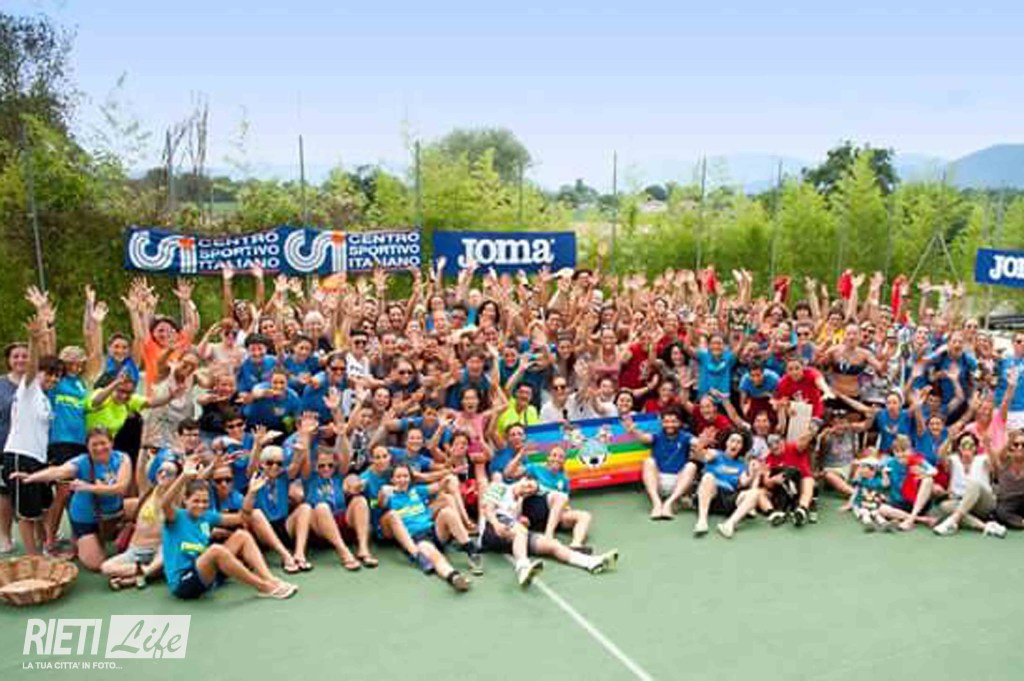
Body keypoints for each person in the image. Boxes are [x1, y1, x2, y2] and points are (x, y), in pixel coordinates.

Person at [161, 458, 297, 600]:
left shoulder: (208, 516)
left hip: (208, 575)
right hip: (183, 583)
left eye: (205, 501)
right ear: (185, 500)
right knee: (215, 550)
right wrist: (184, 476)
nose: (201, 505)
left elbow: (243, 518)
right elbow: (164, 504)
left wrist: (251, 493)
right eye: (196, 501)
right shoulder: (176, 516)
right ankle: (264, 587)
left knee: (242, 536)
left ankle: (270, 579)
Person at [11, 427, 131, 570]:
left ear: (111, 443)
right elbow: (58, 471)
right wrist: (31, 477)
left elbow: (121, 488)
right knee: (96, 564)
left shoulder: (122, 458)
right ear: (87, 447)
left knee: (140, 505)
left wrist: (88, 487)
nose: (99, 448)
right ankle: (81, 539)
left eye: (103, 443)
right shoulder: (81, 462)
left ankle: (115, 535)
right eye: (94, 445)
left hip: (114, 514)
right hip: (86, 519)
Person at [479, 475, 618, 588]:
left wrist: (521, 521)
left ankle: (590, 562)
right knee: (520, 531)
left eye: (531, 492)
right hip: (491, 529)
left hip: (511, 535)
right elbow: (487, 509)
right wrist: (496, 524)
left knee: (552, 545)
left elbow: (516, 524)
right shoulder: (500, 487)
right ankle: (523, 568)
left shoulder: (520, 502)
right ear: (523, 478)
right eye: (528, 485)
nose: (527, 491)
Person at [2, 314, 58, 556]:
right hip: (20, 457)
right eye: (47, 374)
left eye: (55, 375)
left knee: (44, 507)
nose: (51, 378)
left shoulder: (44, 398)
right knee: (27, 514)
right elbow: (33, 366)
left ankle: (45, 548)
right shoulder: (29, 387)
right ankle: (34, 559)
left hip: (38, 460)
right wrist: (34, 340)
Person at [378, 463, 479, 591]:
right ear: (392, 479)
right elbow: (380, 504)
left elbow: (438, 486)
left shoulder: (416, 490)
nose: (403, 479)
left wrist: (450, 475)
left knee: (447, 512)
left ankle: (471, 550)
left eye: (405, 476)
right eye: (398, 477)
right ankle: (454, 577)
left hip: (433, 530)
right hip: (417, 538)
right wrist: (383, 493)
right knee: (436, 556)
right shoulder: (389, 496)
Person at [626, 407, 699, 520]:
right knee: (648, 462)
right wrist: (633, 430)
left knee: (691, 466)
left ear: (680, 423)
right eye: (666, 421)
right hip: (658, 482)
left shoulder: (686, 436)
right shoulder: (657, 435)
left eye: (673, 421)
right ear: (662, 422)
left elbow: (696, 442)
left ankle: (669, 504)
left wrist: (703, 442)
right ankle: (657, 504)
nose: (670, 425)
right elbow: (644, 438)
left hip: (678, 483)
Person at [932, 432, 1006, 537]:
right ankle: (986, 527)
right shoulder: (953, 460)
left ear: (975, 448)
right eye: (964, 444)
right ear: (959, 448)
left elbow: (996, 466)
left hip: (983, 502)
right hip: (960, 502)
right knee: (945, 506)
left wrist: (988, 446)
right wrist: (949, 440)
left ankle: (952, 520)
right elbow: (940, 456)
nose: (967, 447)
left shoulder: (983, 459)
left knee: (974, 484)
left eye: (971, 445)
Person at [692, 431, 762, 538]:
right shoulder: (715, 454)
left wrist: (753, 473)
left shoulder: (741, 465)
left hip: (728, 498)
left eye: (739, 442)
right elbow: (700, 456)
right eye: (732, 440)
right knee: (708, 477)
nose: (735, 444)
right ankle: (702, 521)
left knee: (755, 493)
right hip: (710, 495)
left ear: (742, 447)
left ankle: (729, 524)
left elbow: (744, 482)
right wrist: (701, 444)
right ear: (726, 442)